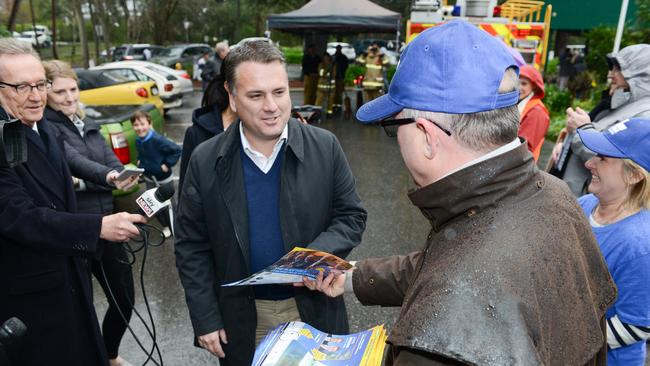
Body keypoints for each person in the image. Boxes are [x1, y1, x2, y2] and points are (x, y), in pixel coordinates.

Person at [301, 20, 616, 365]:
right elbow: (451, 260)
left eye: (393, 127)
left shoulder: (437, 333)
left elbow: (460, 274)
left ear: (425, 135)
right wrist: (353, 277)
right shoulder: (555, 196)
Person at [174, 40, 367, 365]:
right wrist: (205, 317)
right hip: (243, 317)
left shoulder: (325, 147)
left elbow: (351, 216)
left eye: (279, 92)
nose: (271, 106)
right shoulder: (205, 159)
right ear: (232, 96)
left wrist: (311, 259)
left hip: (313, 308)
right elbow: (191, 245)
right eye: (256, 95)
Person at [0, 38, 145, 366]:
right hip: (31, 303)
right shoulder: (5, 136)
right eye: (22, 87)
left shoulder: (43, 126)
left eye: (40, 84)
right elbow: (18, 215)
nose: (36, 96)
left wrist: (113, 177)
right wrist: (96, 226)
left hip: (67, 281)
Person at [43, 60, 139, 366]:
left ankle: (108, 352)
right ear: (45, 92)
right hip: (78, 228)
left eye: (73, 89)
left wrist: (127, 176)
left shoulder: (87, 122)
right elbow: (72, 160)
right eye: (60, 92)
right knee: (79, 305)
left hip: (109, 221)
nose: (70, 97)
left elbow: (110, 162)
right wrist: (108, 177)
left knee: (124, 299)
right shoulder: (46, 126)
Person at [575, 118, 650, 366]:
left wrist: (569, 338)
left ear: (634, 175)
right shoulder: (585, 205)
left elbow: (638, 325)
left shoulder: (639, 245)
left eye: (603, 158)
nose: (589, 163)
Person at [550, 44, 650, 196]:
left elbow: (621, 164)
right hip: (573, 197)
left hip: (589, 203)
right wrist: (565, 145)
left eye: (618, 69)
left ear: (640, 77)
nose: (610, 75)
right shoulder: (621, 104)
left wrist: (582, 129)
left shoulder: (645, 115)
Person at [178, 70, 237, 192]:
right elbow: (187, 190)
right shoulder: (197, 133)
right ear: (229, 89)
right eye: (256, 94)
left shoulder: (265, 133)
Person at [132, 110, 181, 233]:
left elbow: (176, 150)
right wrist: (139, 161)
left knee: (169, 205)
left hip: (164, 179)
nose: (139, 128)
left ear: (149, 124)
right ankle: (165, 225)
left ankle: (175, 227)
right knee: (153, 204)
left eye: (142, 124)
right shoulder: (138, 140)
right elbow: (143, 154)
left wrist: (167, 164)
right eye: (136, 125)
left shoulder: (158, 139)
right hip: (149, 178)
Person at [517, 65, 549, 161]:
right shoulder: (519, 103)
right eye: (517, 82)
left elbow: (525, 149)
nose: (518, 87)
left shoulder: (537, 112)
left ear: (534, 87)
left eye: (524, 83)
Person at [332, 45, 349, 112]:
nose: (338, 50)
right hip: (334, 78)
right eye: (337, 49)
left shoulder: (343, 57)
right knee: (333, 92)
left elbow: (346, 66)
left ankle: (339, 105)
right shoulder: (333, 57)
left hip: (340, 77)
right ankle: (333, 105)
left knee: (339, 92)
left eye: (339, 49)